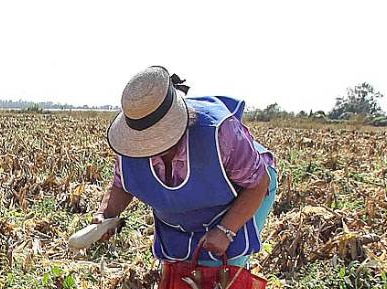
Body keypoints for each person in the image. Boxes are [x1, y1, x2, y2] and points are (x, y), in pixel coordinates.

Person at [94, 66, 277, 267]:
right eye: (144, 142)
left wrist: (226, 230)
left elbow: (258, 183)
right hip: (181, 213)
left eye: (158, 139)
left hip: (246, 189)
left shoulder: (218, 133)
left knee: (223, 270)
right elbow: (122, 185)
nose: (150, 148)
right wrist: (105, 216)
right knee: (179, 270)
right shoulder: (129, 147)